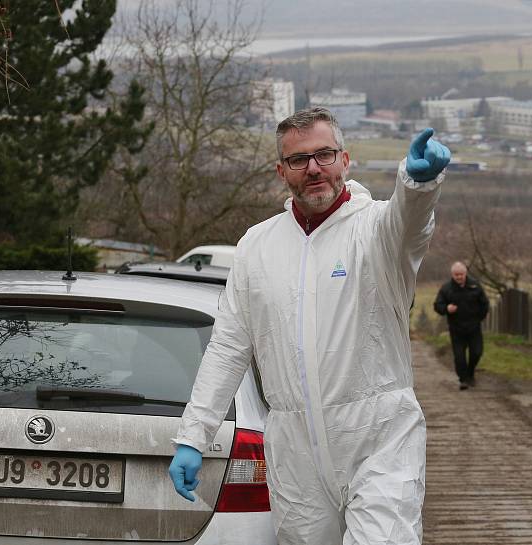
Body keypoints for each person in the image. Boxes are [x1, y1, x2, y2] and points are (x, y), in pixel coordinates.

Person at [169, 107, 450, 545]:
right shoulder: (257, 247)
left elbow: (411, 221)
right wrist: (193, 436)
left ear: (345, 159)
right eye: (299, 160)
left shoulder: (376, 230)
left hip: (379, 439)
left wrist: (418, 184)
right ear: (282, 170)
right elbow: (228, 348)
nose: (314, 168)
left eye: (324, 154)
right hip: (294, 451)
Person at [433, 262, 490, 390]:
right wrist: (447, 308)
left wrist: (479, 318)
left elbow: (485, 304)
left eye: (461, 274)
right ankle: (463, 380)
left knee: (477, 352)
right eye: (456, 275)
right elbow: (437, 305)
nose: (459, 277)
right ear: (452, 274)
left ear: (465, 273)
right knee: (459, 357)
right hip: (456, 328)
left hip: (474, 327)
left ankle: (470, 373)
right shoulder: (446, 288)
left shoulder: (475, 286)